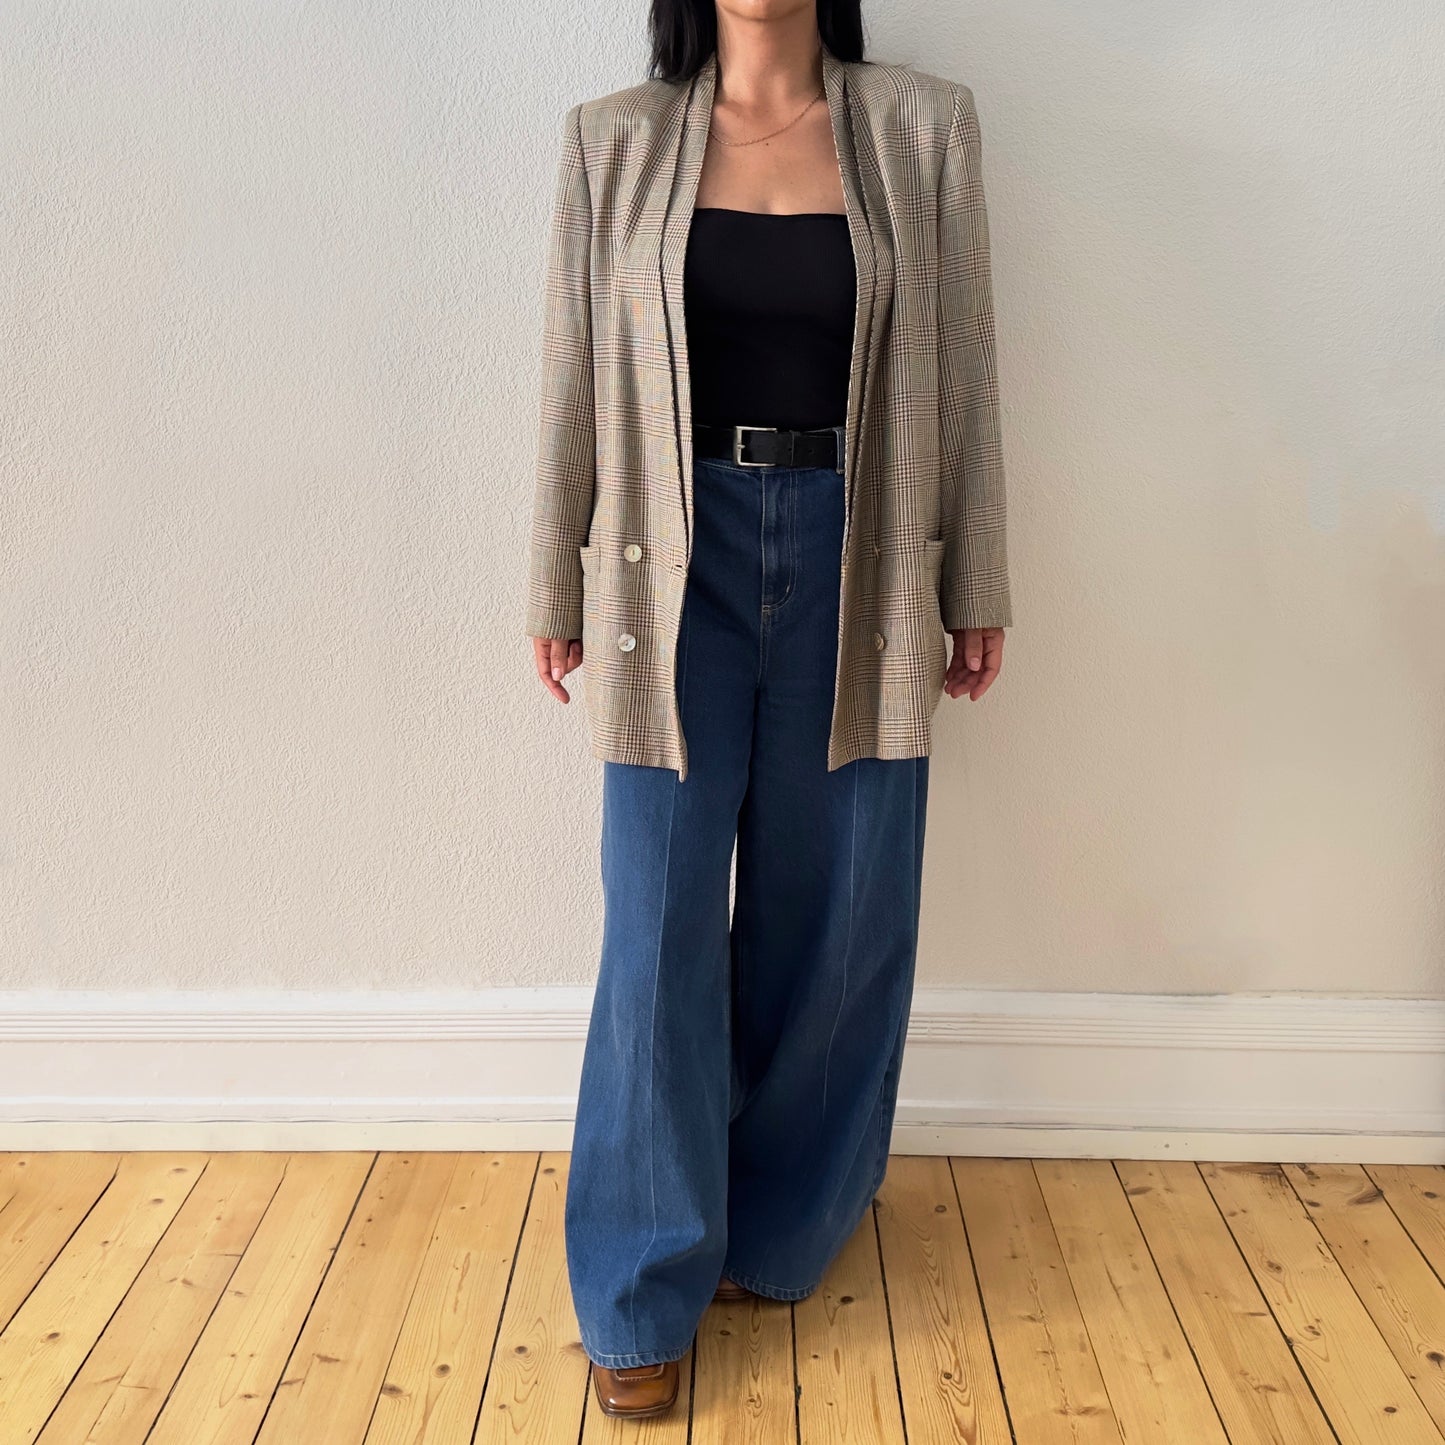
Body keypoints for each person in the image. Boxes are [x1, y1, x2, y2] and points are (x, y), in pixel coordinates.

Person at [524, 0, 1013, 1419]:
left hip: (865, 549)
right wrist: (550, 574)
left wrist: (975, 576)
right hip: (668, 561)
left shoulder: (922, 129)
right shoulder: (612, 142)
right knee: (659, 917)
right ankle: (637, 1284)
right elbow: (572, 372)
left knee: (841, 905)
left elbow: (965, 367)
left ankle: (783, 1224)